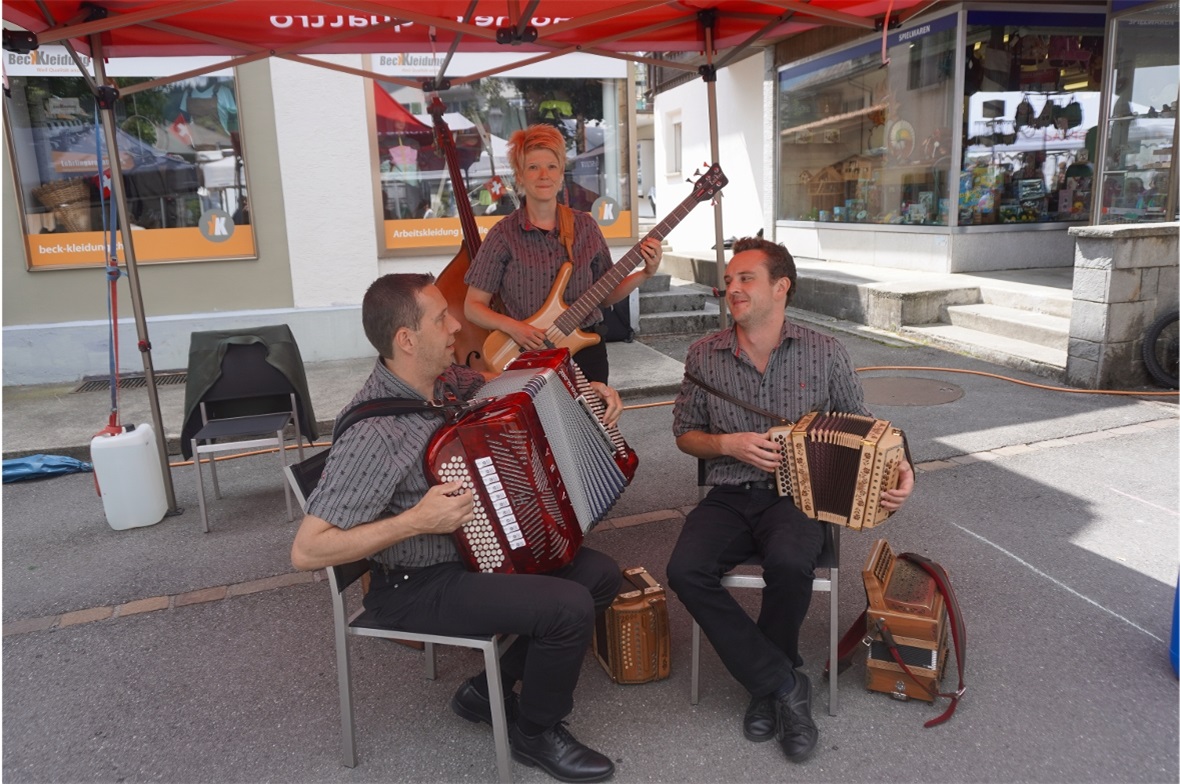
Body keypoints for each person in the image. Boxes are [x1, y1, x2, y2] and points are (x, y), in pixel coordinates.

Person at [291, 273, 624, 783]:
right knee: (567, 607)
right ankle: (536, 732)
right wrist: (415, 521)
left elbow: (515, 384)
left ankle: (486, 694)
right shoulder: (375, 433)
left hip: (468, 558)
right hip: (414, 585)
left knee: (599, 575)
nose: (455, 326)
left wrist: (586, 393)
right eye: (440, 318)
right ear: (406, 339)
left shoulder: (444, 382)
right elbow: (308, 551)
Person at [665, 237, 915, 764]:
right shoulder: (702, 355)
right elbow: (685, 433)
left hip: (800, 496)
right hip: (729, 493)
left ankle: (765, 687)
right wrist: (727, 444)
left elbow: (867, 425)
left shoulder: (826, 352)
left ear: (781, 287)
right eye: (728, 280)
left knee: (788, 561)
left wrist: (903, 467)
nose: (732, 287)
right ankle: (782, 683)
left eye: (746, 278)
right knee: (685, 570)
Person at [464, 123, 662, 384]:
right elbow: (472, 306)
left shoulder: (586, 227)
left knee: (591, 422)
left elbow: (604, 295)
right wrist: (515, 328)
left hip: (585, 349)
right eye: (533, 167)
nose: (543, 174)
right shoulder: (503, 235)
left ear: (560, 175)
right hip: (529, 352)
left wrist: (645, 274)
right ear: (520, 177)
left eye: (551, 166)